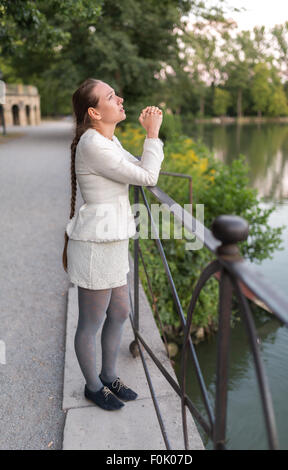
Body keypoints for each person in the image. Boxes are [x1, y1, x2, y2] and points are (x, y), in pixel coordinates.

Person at [62, 78, 164, 411]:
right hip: (96, 246)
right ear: (94, 112)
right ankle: (93, 387)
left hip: (114, 240)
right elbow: (148, 177)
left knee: (119, 311)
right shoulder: (92, 144)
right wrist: (152, 134)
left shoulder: (108, 139)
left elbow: (136, 168)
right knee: (90, 324)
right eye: (110, 96)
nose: (119, 98)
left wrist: (145, 149)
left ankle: (109, 375)